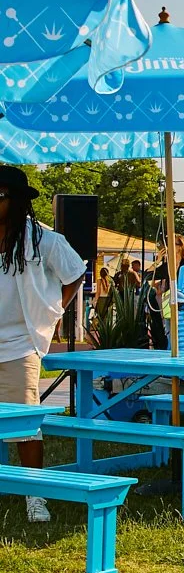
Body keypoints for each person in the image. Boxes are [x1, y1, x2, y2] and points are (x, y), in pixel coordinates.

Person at [0, 166, 87, 522]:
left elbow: (76, 271)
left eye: (0, 196)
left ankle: (34, 496)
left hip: (21, 344)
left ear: (17, 201)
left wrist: (54, 311)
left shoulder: (43, 240)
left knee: (24, 422)